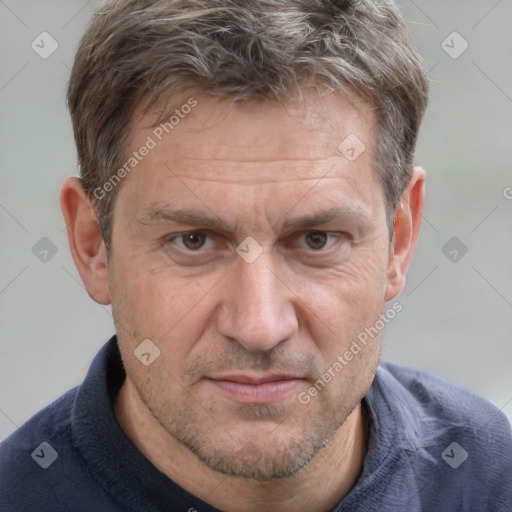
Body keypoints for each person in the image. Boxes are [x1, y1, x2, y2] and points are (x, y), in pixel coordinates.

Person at [1, 0, 511, 510]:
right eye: (194, 240)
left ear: (399, 238)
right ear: (94, 246)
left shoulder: (490, 479)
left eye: (316, 239)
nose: (259, 326)